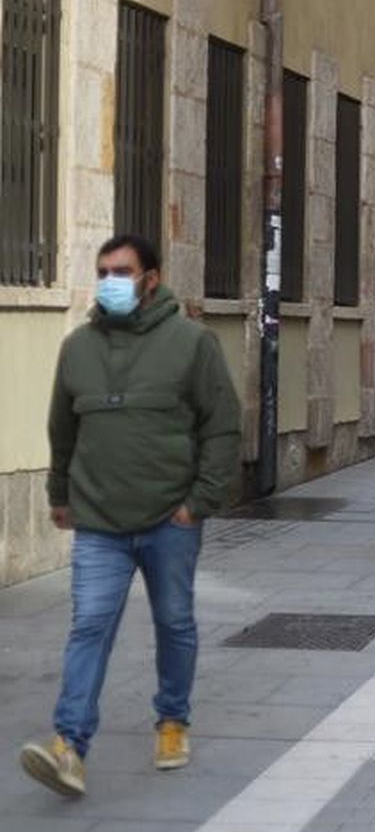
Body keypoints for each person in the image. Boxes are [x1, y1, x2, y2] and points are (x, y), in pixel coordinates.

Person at [21, 234, 241, 798]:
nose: (109, 282)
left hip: (171, 518)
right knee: (89, 626)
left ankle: (172, 721)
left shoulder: (192, 344)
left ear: (152, 279)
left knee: (175, 623)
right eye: (102, 272)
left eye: (121, 271)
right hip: (98, 521)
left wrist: (199, 503)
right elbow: (62, 429)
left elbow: (220, 427)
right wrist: (59, 492)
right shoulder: (78, 348)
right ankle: (69, 746)